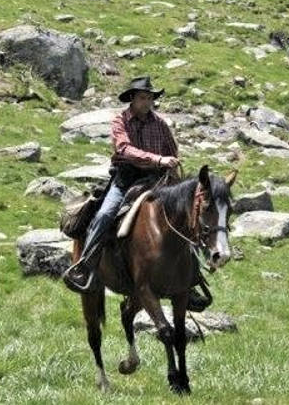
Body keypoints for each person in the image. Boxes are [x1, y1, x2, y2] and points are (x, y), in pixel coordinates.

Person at [63, 76, 211, 311]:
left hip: (157, 181)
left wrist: (170, 162)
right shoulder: (120, 121)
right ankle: (86, 266)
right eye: (143, 97)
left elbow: (171, 150)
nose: (147, 102)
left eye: (150, 98)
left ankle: (190, 279)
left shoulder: (160, 124)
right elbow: (124, 148)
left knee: (184, 219)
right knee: (104, 215)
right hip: (126, 180)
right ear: (132, 98)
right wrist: (157, 158)